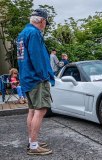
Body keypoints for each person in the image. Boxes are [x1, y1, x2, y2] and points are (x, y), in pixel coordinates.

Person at [17, 9, 55, 155]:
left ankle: (32, 141)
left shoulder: (23, 33)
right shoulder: (34, 33)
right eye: (45, 22)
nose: (45, 25)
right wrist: (44, 76)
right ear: (41, 20)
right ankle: (33, 147)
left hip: (27, 77)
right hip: (36, 78)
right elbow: (37, 58)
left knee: (32, 110)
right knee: (41, 110)